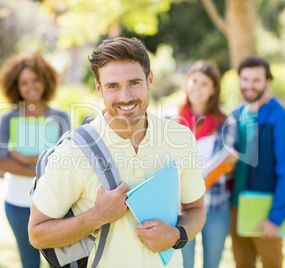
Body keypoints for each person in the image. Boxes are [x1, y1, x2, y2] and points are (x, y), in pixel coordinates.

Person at [28, 37, 207, 267]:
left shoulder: (180, 139)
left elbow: (196, 209)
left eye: (134, 82)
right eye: (113, 86)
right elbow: (37, 234)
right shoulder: (73, 152)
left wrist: (177, 235)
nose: (125, 97)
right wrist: (97, 216)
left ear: (149, 80)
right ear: (100, 89)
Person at [0, 51, 70, 268]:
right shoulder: (7, 119)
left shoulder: (60, 117)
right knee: (29, 262)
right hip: (18, 204)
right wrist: (43, 169)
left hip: (56, 205)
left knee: (61, 262)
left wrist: (25, 158)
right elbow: (1, 161)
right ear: (15, 86)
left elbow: (67, 160)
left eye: (35, 79)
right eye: (23, 82)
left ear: (45, 80)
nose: (31, 86)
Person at [230, 56, 285, 268]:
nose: (249, 86)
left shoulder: (281, 118)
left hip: (265, 210)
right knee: (242, 264)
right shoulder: (236, 114)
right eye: (245, 79)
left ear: (268, 81)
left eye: (256, 80)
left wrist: (276, 218)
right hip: (236, 206)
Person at [177, 61, 237, 268]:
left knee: (212, 264)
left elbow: (226, 169)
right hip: (180, 208)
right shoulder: (171, 121)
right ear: (187, 83)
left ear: (213, 90)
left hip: (215, 205)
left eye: (205, 84)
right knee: (183, 264)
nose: (197, 87)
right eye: (194, 81)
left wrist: (229, 164)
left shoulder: (226, 124)